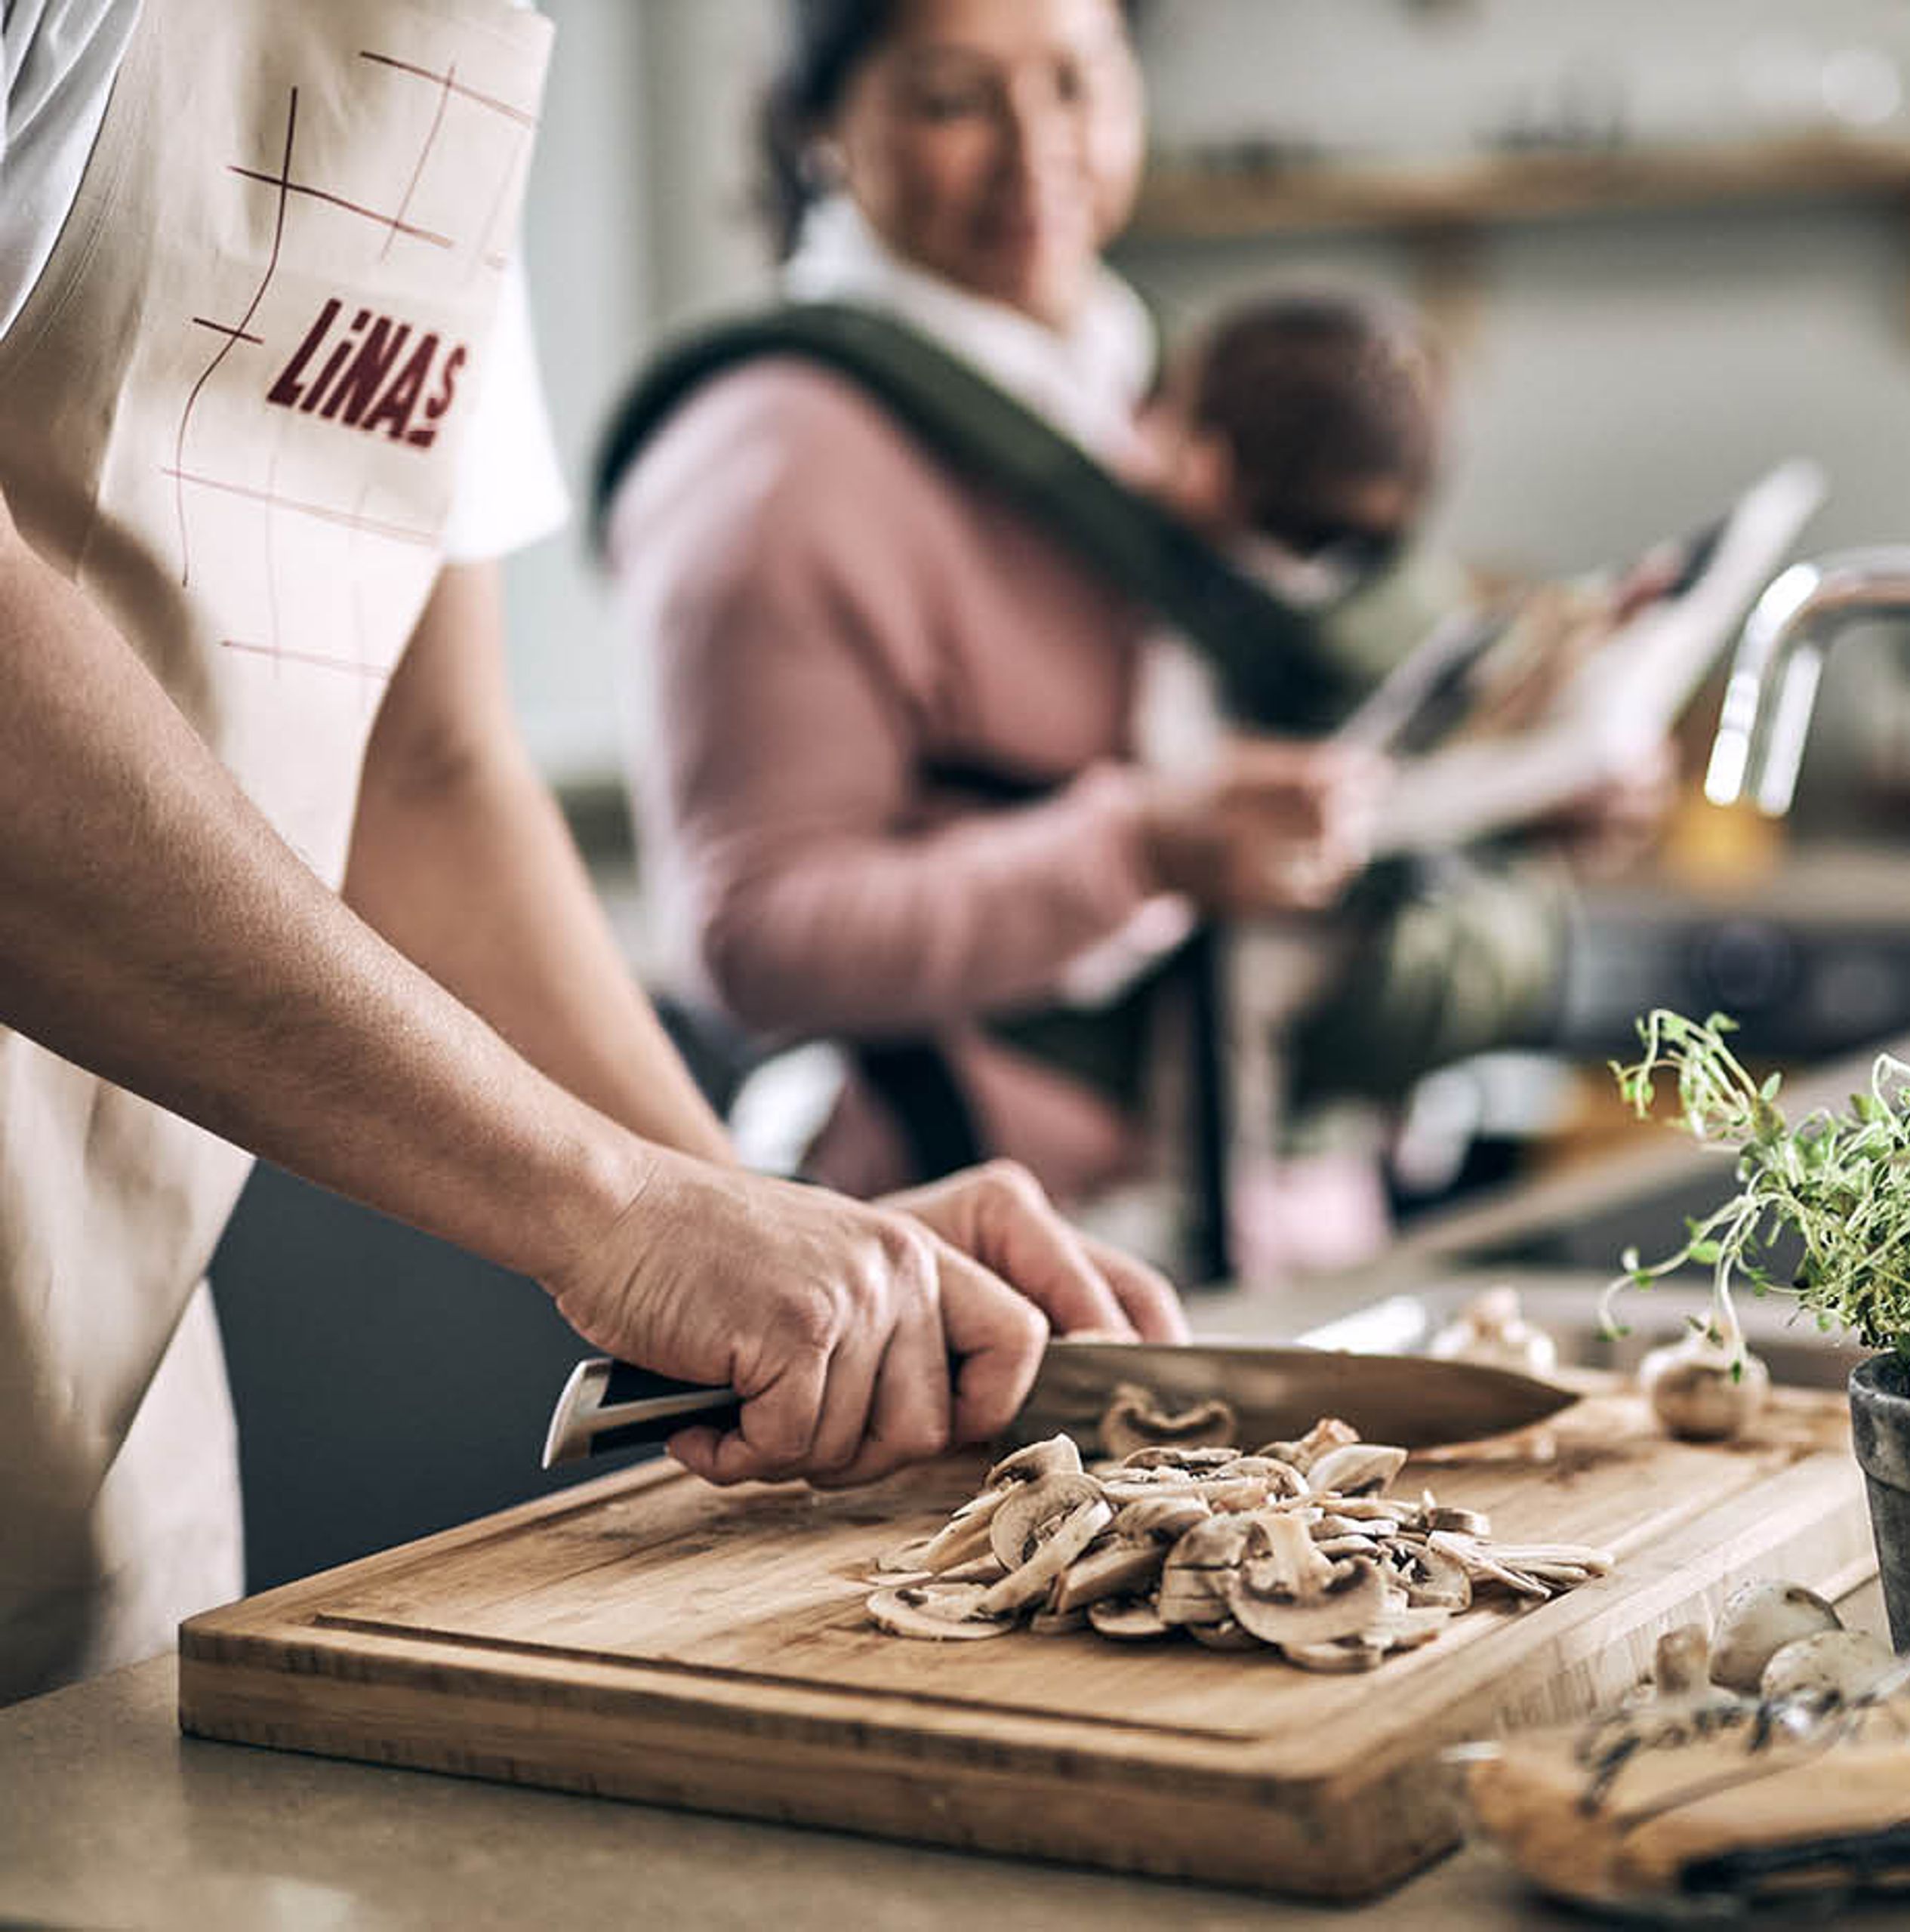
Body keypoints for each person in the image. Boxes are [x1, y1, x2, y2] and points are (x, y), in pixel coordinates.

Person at [0, 0, 1180, 1709]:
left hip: (97, 1374)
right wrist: (607, 1206)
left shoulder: (453, 72)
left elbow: (424, 763)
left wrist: (751, 1226)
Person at [606, 1, 1671, 1274]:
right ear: (822, 129)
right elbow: (751, 941)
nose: (1036, 146)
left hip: (1286, 1240)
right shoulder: (773, 459)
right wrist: (1143, 851)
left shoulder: (1153, 387)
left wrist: (1510, 788)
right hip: (998, 1277)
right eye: (955, 98)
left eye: (1077, 83)